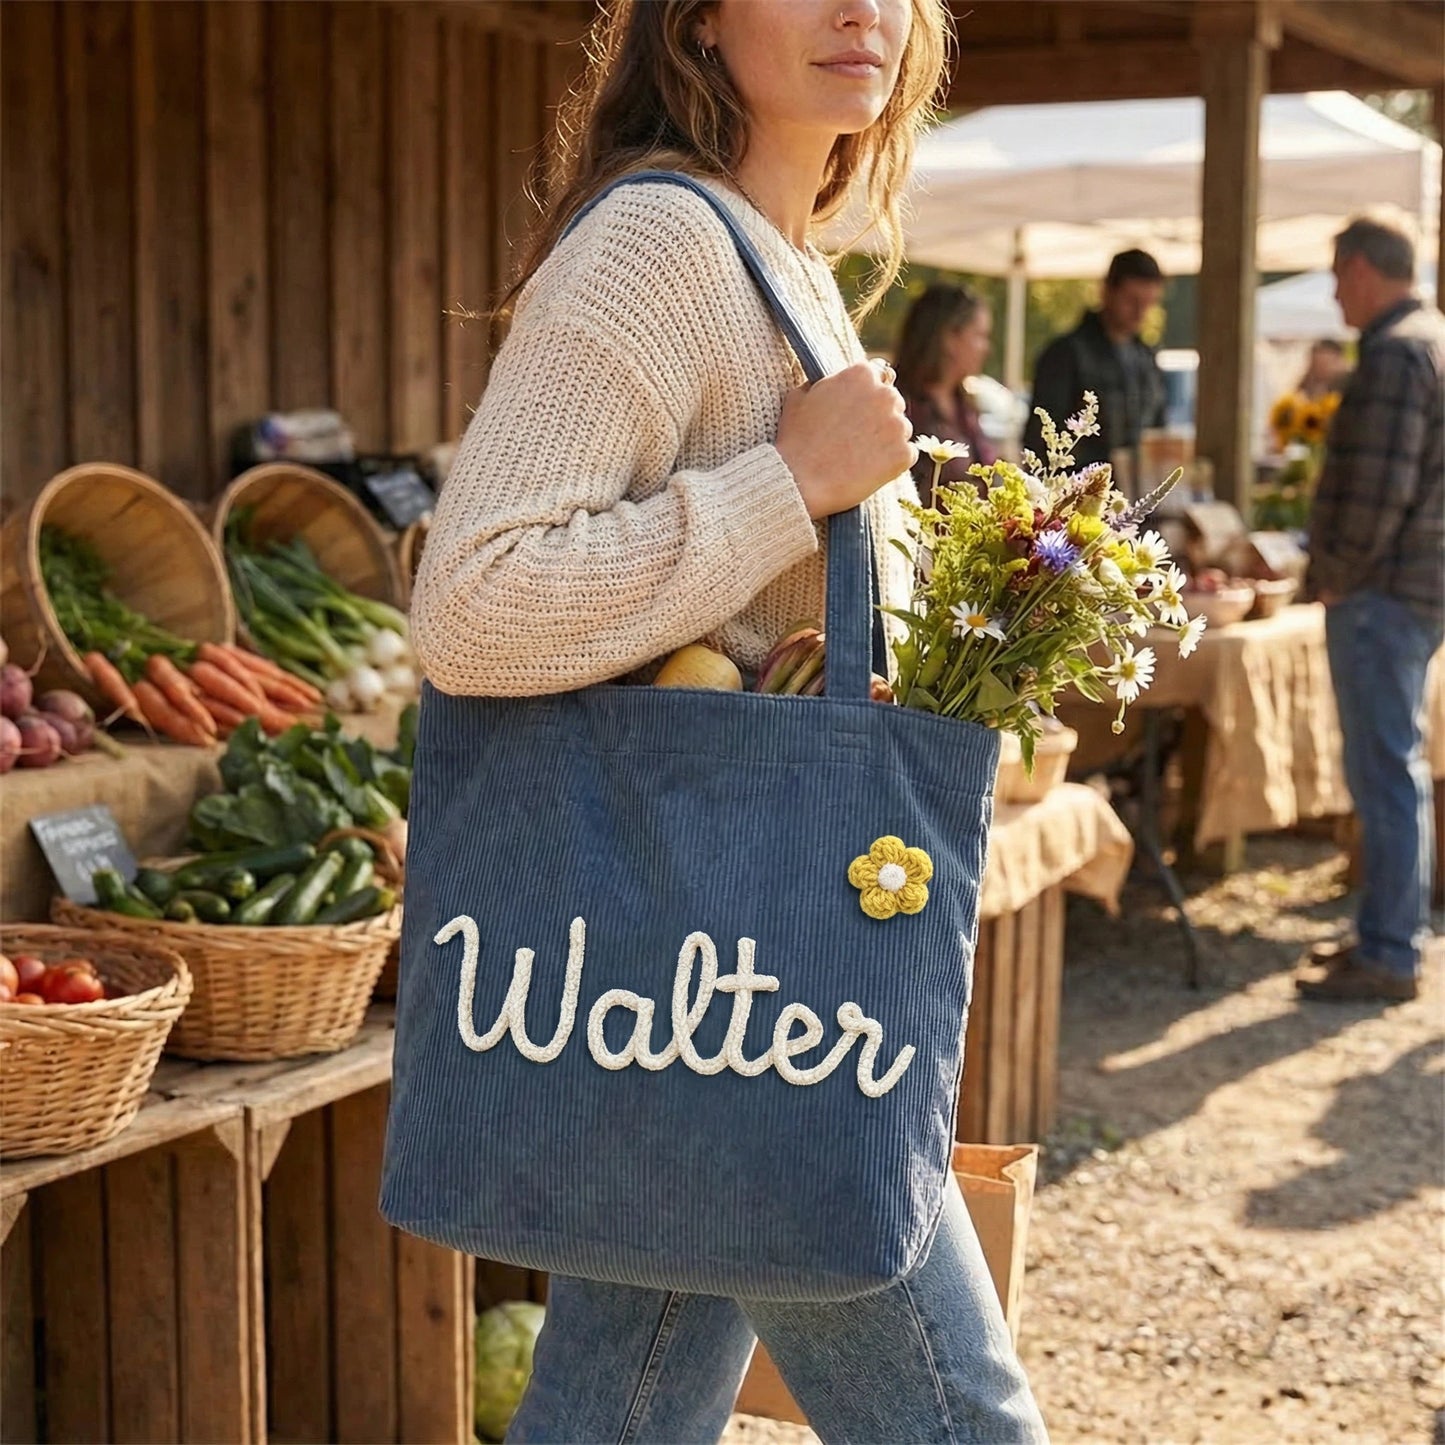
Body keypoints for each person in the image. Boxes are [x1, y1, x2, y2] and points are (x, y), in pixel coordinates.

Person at [408, 1, 1047, 1441]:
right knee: (966, 1419)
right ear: (697, 19)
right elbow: (473, 603)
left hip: (715, 980)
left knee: (618, 1404)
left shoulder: (779, 260)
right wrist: (786, 482)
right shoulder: (658, 250)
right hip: (764, 990)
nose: (859, 9)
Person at [1298, 217, 1444, 1004]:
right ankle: (1387, 933)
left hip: (1381, 591)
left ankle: (1389, 949)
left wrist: (1334, 576)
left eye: (1334, 273)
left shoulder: (1394, 351)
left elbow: (1375, 494)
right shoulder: (1431, 337)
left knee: (1384, 770)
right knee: (1394, 767)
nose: (1331, 291)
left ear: (1359, 268)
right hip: (1411, 586)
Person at [1021, 249, 1168, 471]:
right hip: (1078, 491)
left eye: (1148, 303)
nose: (1139, 312)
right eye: (1132, 301)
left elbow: (1158, 431)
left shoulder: (1146, 359)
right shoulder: (1066, 355)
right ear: (1107, 292)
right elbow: (1041, 441)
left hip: (1138, 494)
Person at [894, 282, 996, 503]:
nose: (987, 347)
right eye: (980, 335)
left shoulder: (964, 406)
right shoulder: (899, 404)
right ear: (949, 338)